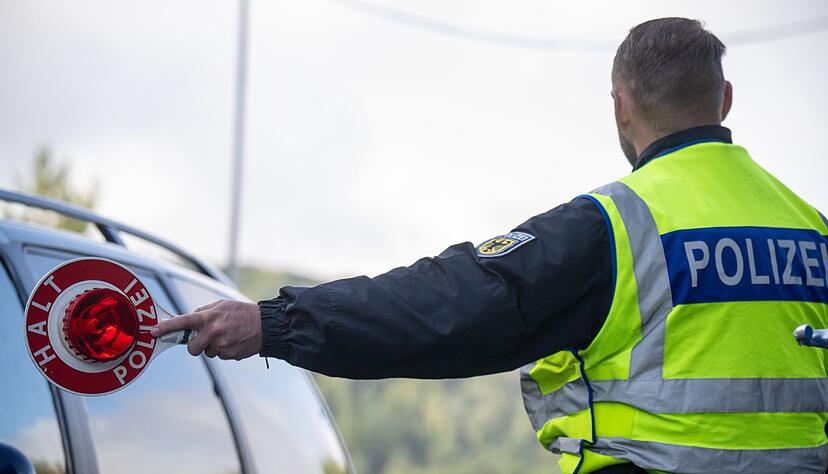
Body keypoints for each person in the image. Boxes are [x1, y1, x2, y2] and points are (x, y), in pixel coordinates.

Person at [153, 18, 828, 474]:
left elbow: (441, 307)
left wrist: (274, 322)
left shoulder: (614, 225)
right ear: (725, 99)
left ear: (620, 106)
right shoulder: (812, 229)